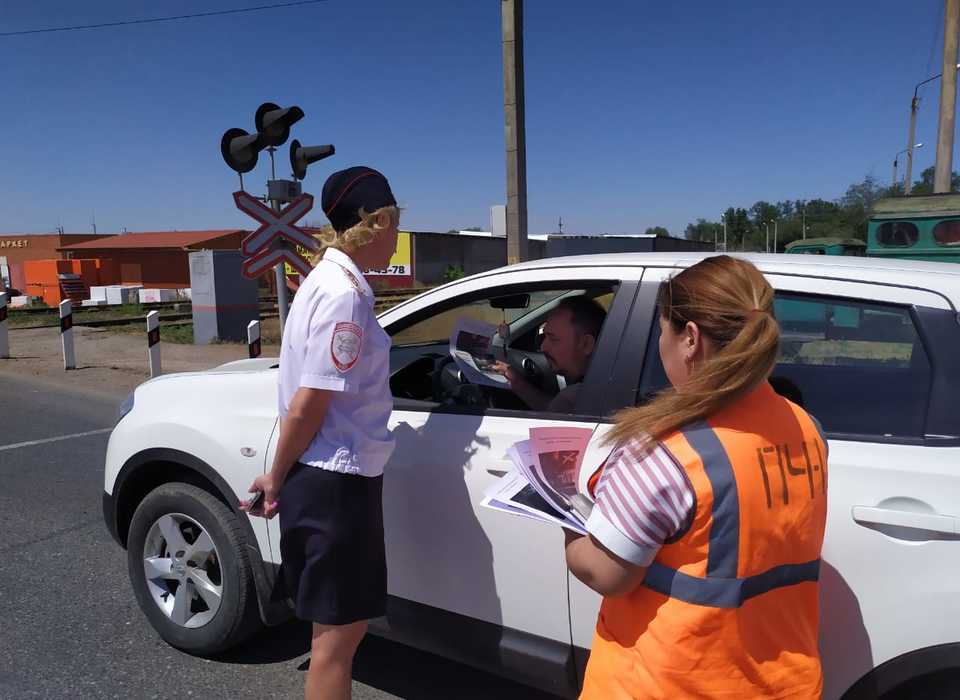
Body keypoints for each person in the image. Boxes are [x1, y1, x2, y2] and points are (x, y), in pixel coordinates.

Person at [565, 255, 828, 699]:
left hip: (669, 685)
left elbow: (608, 575)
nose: (659, 343)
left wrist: (567, 517)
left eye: (661, 330)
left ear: (690, 338)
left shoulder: (666, 451)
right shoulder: (805, 426)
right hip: (783, 684)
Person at [241, 166, 399, 700]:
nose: (396, 234)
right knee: (339, 640)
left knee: (331, 631)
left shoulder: (326, 282)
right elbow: (311, 401)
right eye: (394, 222)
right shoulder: (345, 295)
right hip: (336, 481)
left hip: (329, 476)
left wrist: (282, 474)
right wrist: (276, 477)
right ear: (373, 222)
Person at [494, 296, 606, 413]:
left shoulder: (572, 398)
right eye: (544, 336)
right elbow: (553, 407)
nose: (543, 347)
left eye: (553, 339)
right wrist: (518, 383)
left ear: (586, 344)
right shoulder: (606, 385)